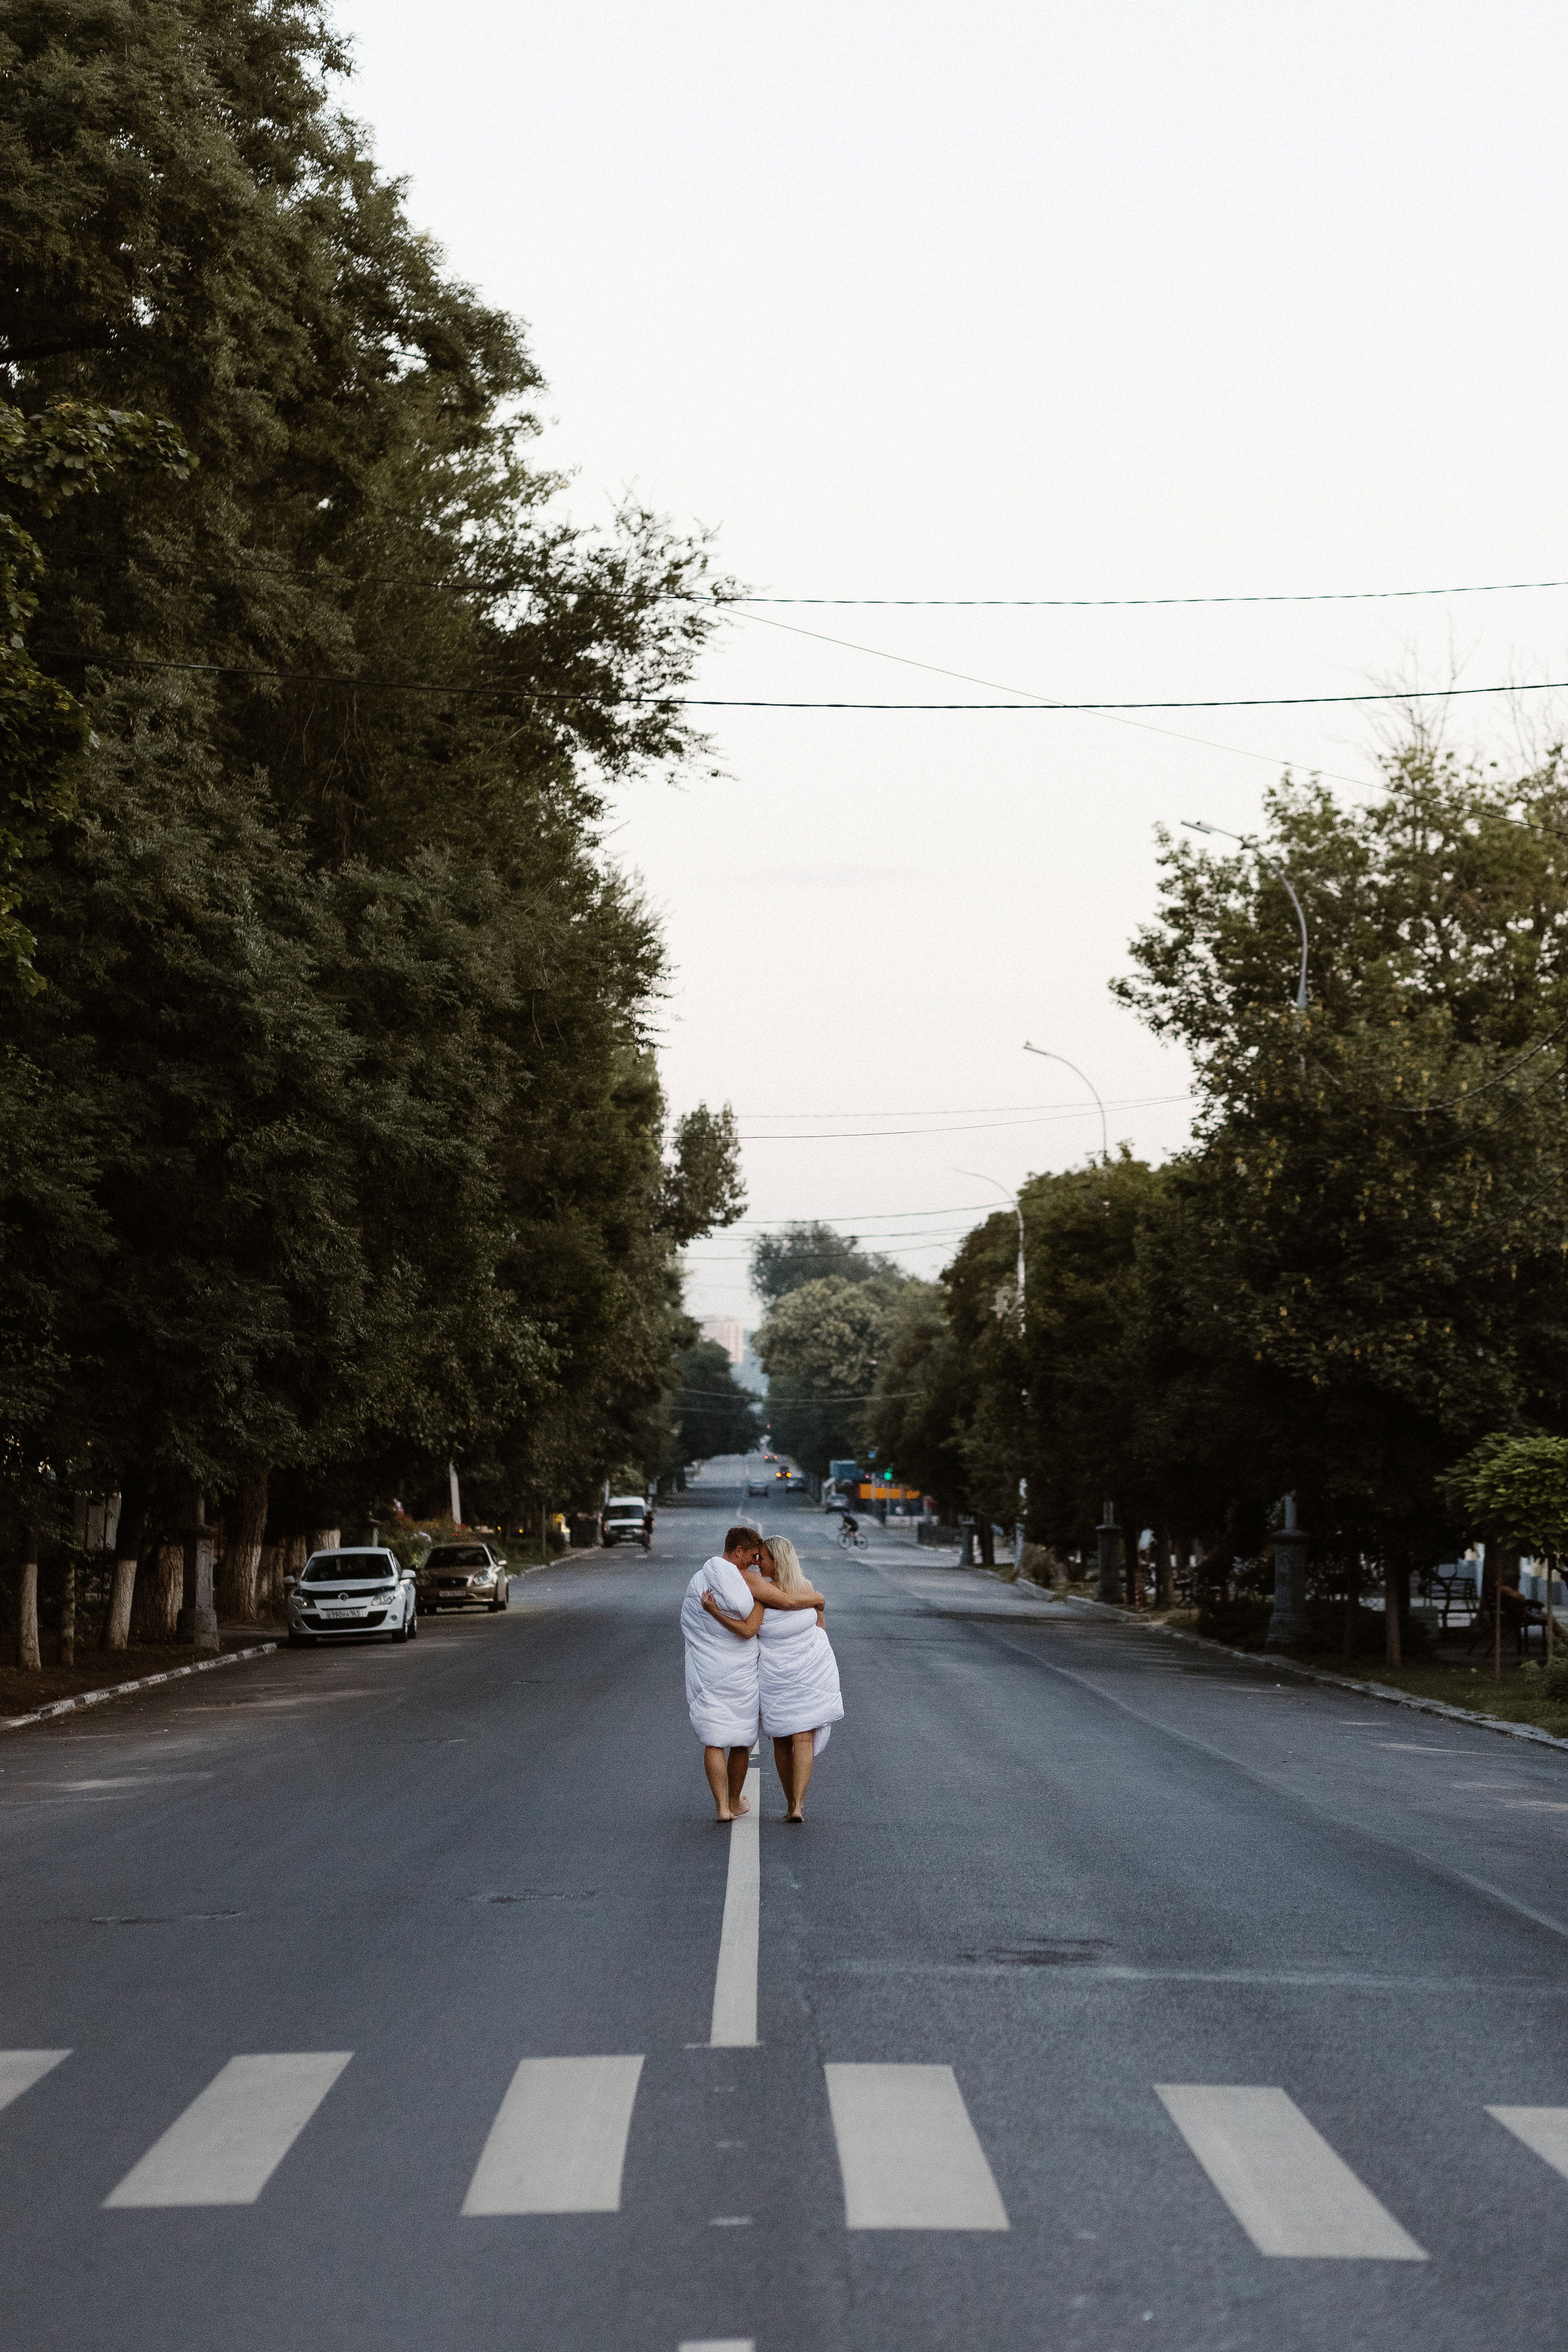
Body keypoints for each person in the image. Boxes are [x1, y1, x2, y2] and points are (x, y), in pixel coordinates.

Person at [705, 1533, 842, 1823]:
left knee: (785, 1737)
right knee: (798, 1736)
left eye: (762, 1558)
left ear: (777, 1561)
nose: (757, 1564)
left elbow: (754, 1630)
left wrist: (716, 1613)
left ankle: (793, 1803)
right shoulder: (803, 1590)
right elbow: (819, 1624)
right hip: (794, 1667)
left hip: (793, 1668)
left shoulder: (764, 1593)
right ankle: (797, 1805)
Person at [680, 1526, 766, 1822]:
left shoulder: (698, 1581)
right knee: (742, 1738)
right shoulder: (746, 1587)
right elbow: (749, 1630)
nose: (755, 1562)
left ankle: (721, 1808)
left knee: (714, 1738)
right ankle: (733, 1801)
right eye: (752, 1556)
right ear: (737, 1552)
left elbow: (688, 1623)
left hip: (706, 1668)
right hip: (739, 1672)